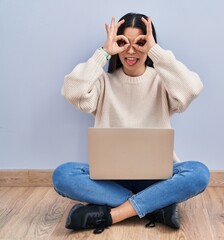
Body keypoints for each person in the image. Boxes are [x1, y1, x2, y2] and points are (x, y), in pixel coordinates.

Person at [52, 12, 210, 234]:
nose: (132, 50)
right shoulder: (103, 83)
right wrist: (103, 53)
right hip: (110, 180)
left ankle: (113, 214)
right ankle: (155, 206)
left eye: (141, 43)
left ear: (149, 45)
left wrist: (156, 52)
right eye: (123, 42)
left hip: (155, 179)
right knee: (62, 175)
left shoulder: (163, 82)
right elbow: (71, 91)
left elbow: (192, 88)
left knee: (199, 172)